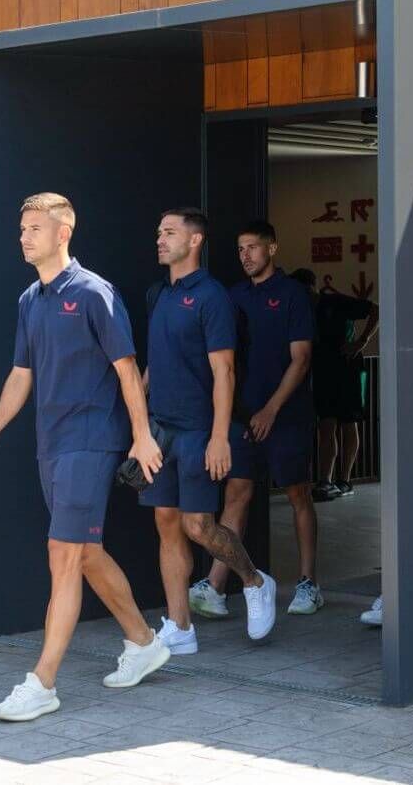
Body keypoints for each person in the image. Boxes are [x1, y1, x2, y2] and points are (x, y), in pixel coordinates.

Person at [0, 193, 171, 723]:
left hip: (92, 439)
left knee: (62, 555)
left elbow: (127, 369)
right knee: (84, 551)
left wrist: (141, 436)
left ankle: (42, 682)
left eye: (34, 228)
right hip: (51, 442)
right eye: (22, 229)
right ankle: (143, 641)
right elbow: (22, 373)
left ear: (63, 233)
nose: (24, 237)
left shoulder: (92, 293)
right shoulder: (28, 300)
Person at [141, 208, 277, 655]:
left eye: (169, 232)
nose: (160, 239)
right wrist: (139, 426)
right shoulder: (158, 294)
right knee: (166, 522)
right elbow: (152, 365)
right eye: (160, 232)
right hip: (161, 431)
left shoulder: (212, 297)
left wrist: (220, 437)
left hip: (199, 429)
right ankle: (180, 626)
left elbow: (225, 372)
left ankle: (254, 581)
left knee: (198, 525)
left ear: (194, 241)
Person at [190, 222, 320, 621]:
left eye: (253, 247)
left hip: (287, 415)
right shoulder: (232, 297)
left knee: (298, 494)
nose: (245, 255)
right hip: (243, 418)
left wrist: (272, 409)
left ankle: (307, 583)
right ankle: (214, 585)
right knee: (236, 494)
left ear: (272, 249)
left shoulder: (293, 294)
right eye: (240, 248)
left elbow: (301, 359)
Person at [289, 268, 378, 502]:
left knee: (349, 423)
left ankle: (345, 480)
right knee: (326, 425)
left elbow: (375, 310)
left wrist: (361, 341)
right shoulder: (301, 313)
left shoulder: (335, 302)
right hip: (322, 372)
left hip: (348, 368)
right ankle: (325, 480)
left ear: (311, 288)